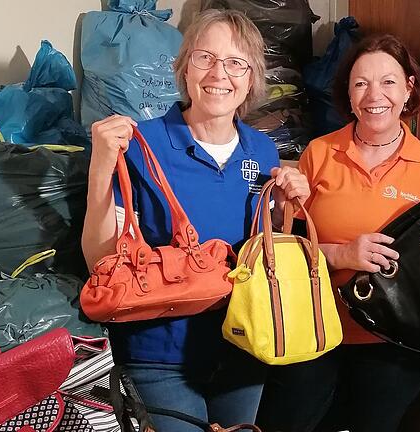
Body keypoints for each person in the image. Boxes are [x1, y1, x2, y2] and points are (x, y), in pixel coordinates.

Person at [81, 9, 310, 432]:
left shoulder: (261, 150)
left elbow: (268, 250)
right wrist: (100, 167)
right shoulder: (142, 143)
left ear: (251, 78)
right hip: (159, 352)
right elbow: (99, 256)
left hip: (243, 344)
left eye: (236, 63)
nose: (219, 73)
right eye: (205, 57)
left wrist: (287, 207)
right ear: (184, 67)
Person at [257, 34, 420, 432]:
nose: (373, 94)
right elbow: (285, 250)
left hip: (392, 342)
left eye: (388, 81)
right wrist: (341, 254)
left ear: (409, 87)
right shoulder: (320, 153)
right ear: (347, 91)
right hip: (316, 329)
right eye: (360, 83)